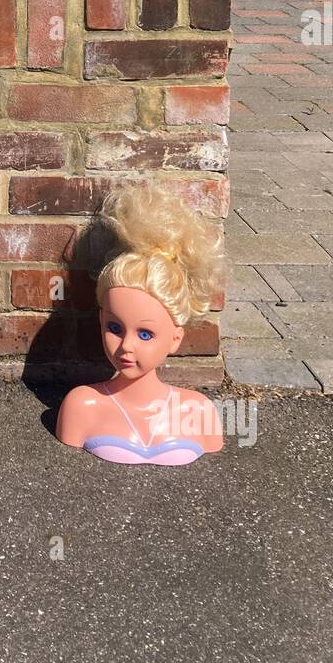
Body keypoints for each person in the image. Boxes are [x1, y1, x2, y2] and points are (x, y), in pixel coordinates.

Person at [57, 180, 227, 466]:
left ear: (176, 338)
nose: (126, 347)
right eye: (114, 328)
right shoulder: (82, 405)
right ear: (101, 320)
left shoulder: (199, 412)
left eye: (145, 334)